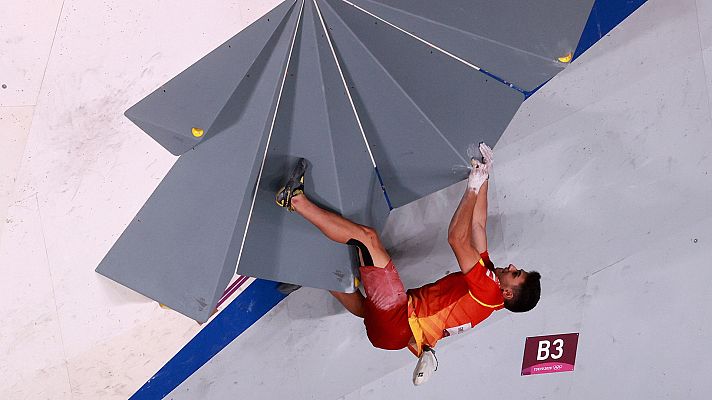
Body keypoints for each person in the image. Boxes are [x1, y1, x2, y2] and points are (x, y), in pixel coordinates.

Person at [275, 143, 541, 385]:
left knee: (368, 240)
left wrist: (472, 187)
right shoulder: (490, 284)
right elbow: (478, 225)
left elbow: (457, 239)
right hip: (395, 332)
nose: (513, 265)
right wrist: (485, 177)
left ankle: (294, 199)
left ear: (508, 293)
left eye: (516, 273)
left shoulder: (487, 291)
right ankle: (315, 273)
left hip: (398, 320)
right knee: (368, 301)